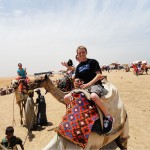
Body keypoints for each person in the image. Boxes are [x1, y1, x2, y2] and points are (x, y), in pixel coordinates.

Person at [64, 46, 114, 134]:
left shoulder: (93, 62)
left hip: (95, 84)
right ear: (77, 54)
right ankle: (71, 116)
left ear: (86, 52)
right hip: (84, 87)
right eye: (79, 53)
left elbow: (98, 75)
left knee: (93, 96)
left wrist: (88, 84)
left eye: (83, 52)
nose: (81, 54)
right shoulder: (78, 66)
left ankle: (108, 117)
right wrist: (76, 83)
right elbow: (77, 79)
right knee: (66, 97)